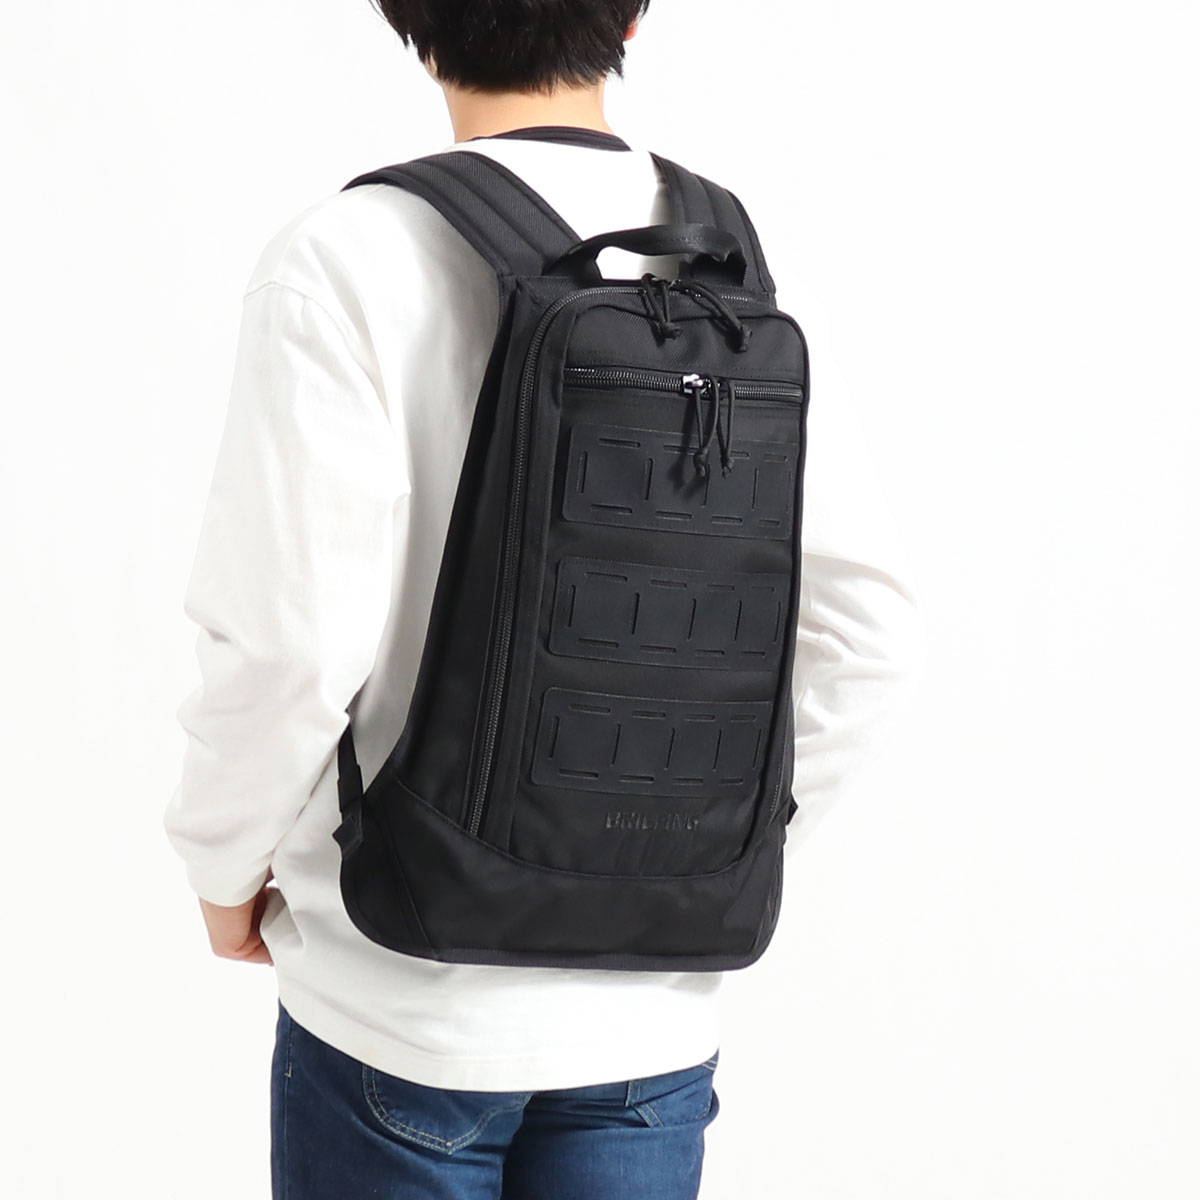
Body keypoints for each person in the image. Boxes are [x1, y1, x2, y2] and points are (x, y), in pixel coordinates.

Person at [163, 2, 923, 1196]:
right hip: (649, 1029)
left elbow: (288, 642)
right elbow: (867, 631)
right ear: (635, 14)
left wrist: (222, 864)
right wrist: (705, 857)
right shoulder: (729, 258)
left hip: (400, 1002)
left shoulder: (347, 254)